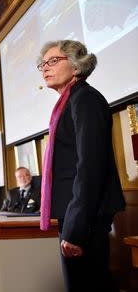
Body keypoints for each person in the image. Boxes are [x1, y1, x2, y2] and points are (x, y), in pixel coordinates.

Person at [38, 40, 126, 291]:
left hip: (85, 216)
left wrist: (76, 228)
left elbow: (89, 168)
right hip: (77, 213)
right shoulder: (71, 101)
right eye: (42, 64)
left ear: (76, 67)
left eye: (53, 61)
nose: (45, 67)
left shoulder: (85, 99)